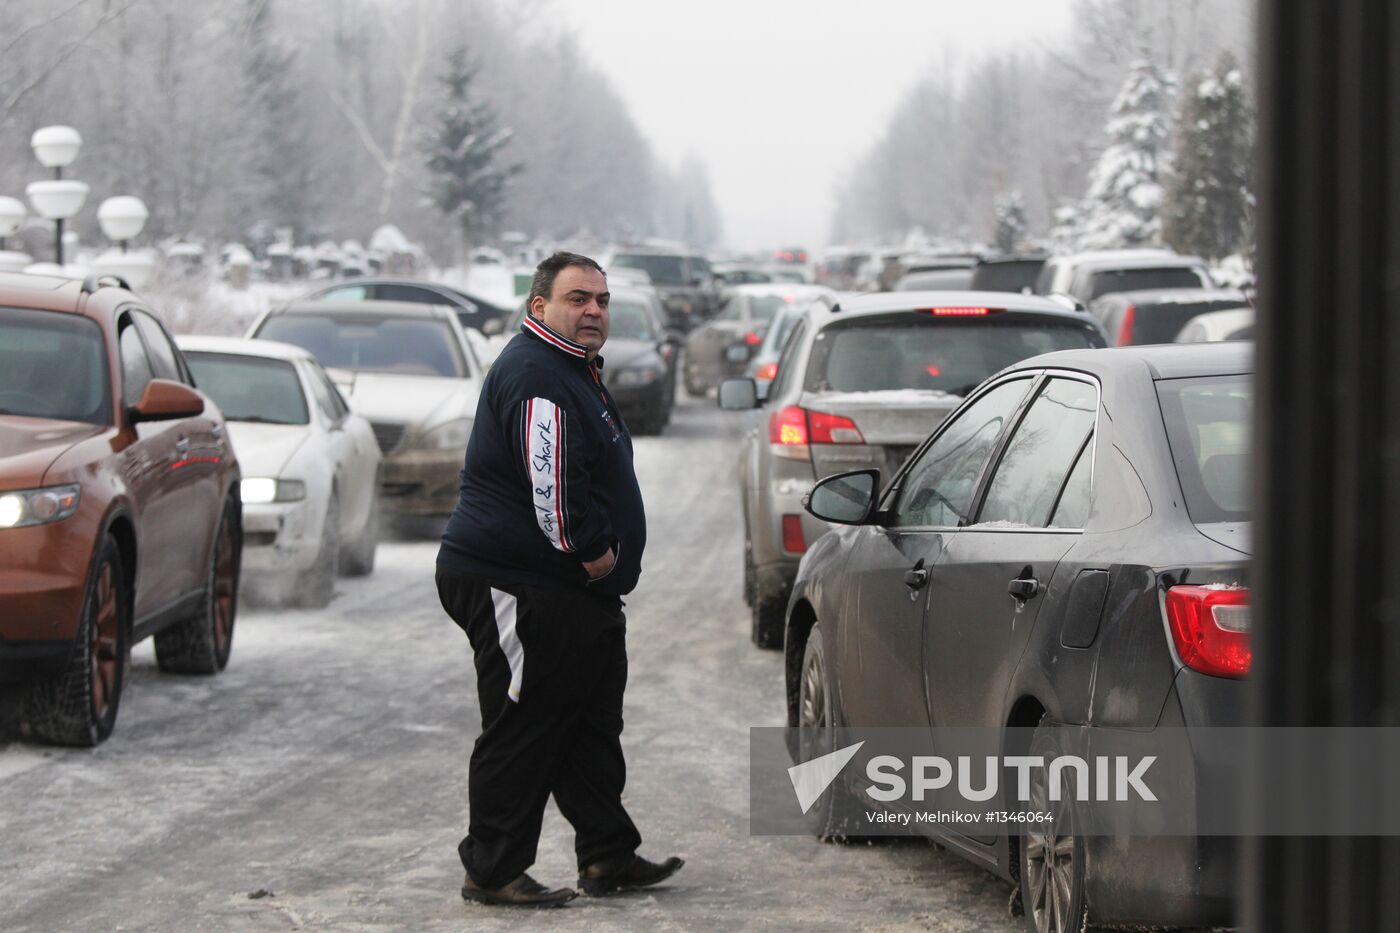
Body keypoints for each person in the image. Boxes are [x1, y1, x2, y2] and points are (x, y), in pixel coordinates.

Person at [436, 251, 683, 908]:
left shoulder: (570, 369)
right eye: (578, 298)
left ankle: (607, 853)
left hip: (567, 588)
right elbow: (552, 484)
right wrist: (594, 550)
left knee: (589, 720)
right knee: (525, 722)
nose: (594, 311)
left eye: (602, 300)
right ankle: (491, 868)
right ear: (538, 306)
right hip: (517, 579)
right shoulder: (538, 373)